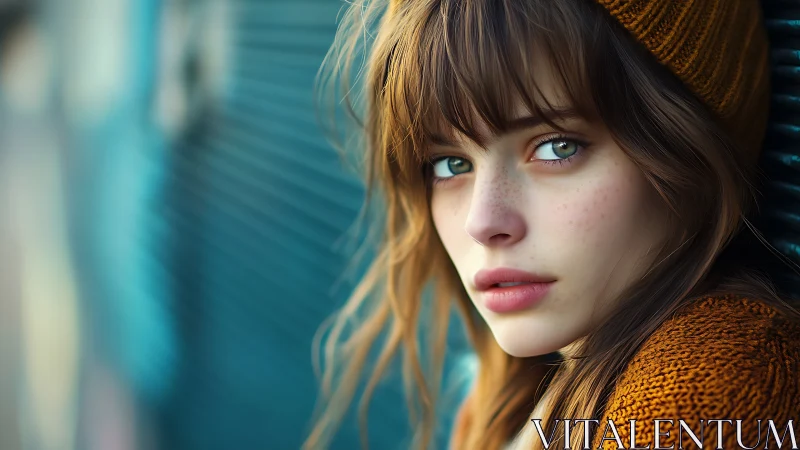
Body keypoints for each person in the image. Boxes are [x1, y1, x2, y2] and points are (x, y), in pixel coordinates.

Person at [305, 0, 800, 449]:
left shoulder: (708, 394)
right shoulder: (512, 393)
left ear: (690, 152)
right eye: (450, 164)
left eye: (557, 147)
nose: (482, 222)